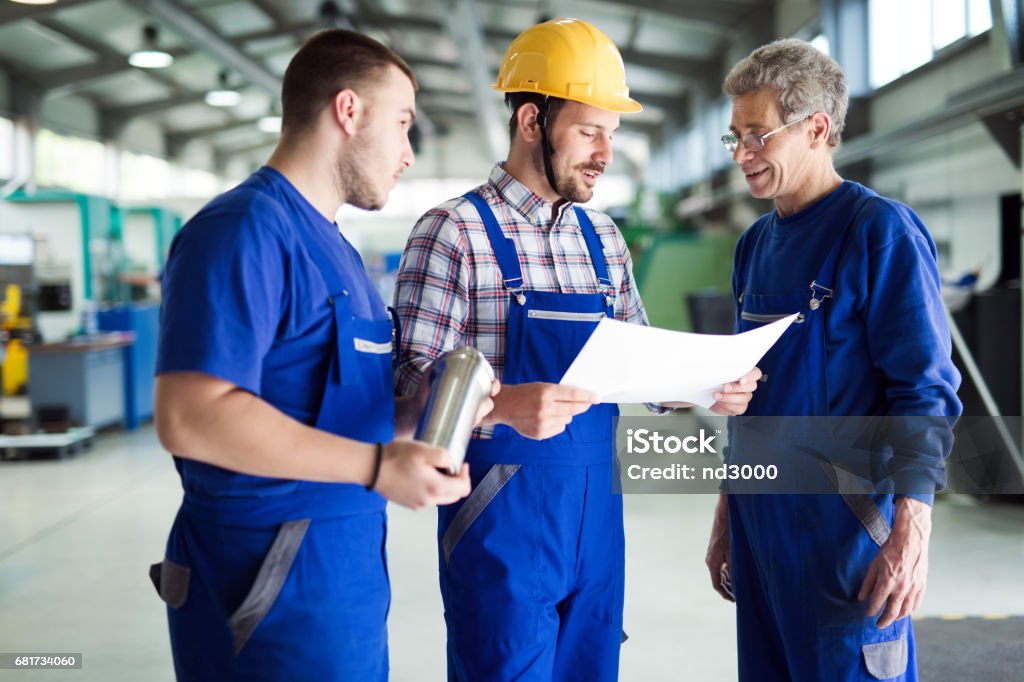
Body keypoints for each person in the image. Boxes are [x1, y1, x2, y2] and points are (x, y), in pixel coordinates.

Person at [394, 17, 759, 681]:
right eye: (590, 131)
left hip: (596, 521)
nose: (604, 153)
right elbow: (407, 394)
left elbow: (645, 370)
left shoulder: (604, 242)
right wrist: (501, 406)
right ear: (532, 120)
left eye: (611, 135)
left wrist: (711, 385)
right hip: (499, 517)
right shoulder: (452, 232)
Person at [151, 29, 480, 681]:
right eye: (403, 124)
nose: (409, 154)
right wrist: (375, 464)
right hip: (263, 585)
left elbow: (327, 407)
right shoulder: (242, 232)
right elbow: (189, 416)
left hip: (340, 579)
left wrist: (419, 415)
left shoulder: (338, 253)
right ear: (349, 110)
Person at [705, 38, 962, 682]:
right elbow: (746, 397)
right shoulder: (754, 244)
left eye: (757, 135)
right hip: (763, 533)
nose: (742, 155)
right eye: (734, 136)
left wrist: (912, 535)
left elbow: (925, 393)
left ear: (817, 128)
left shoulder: (881, 233)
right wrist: (726, 511)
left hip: (848, 540)